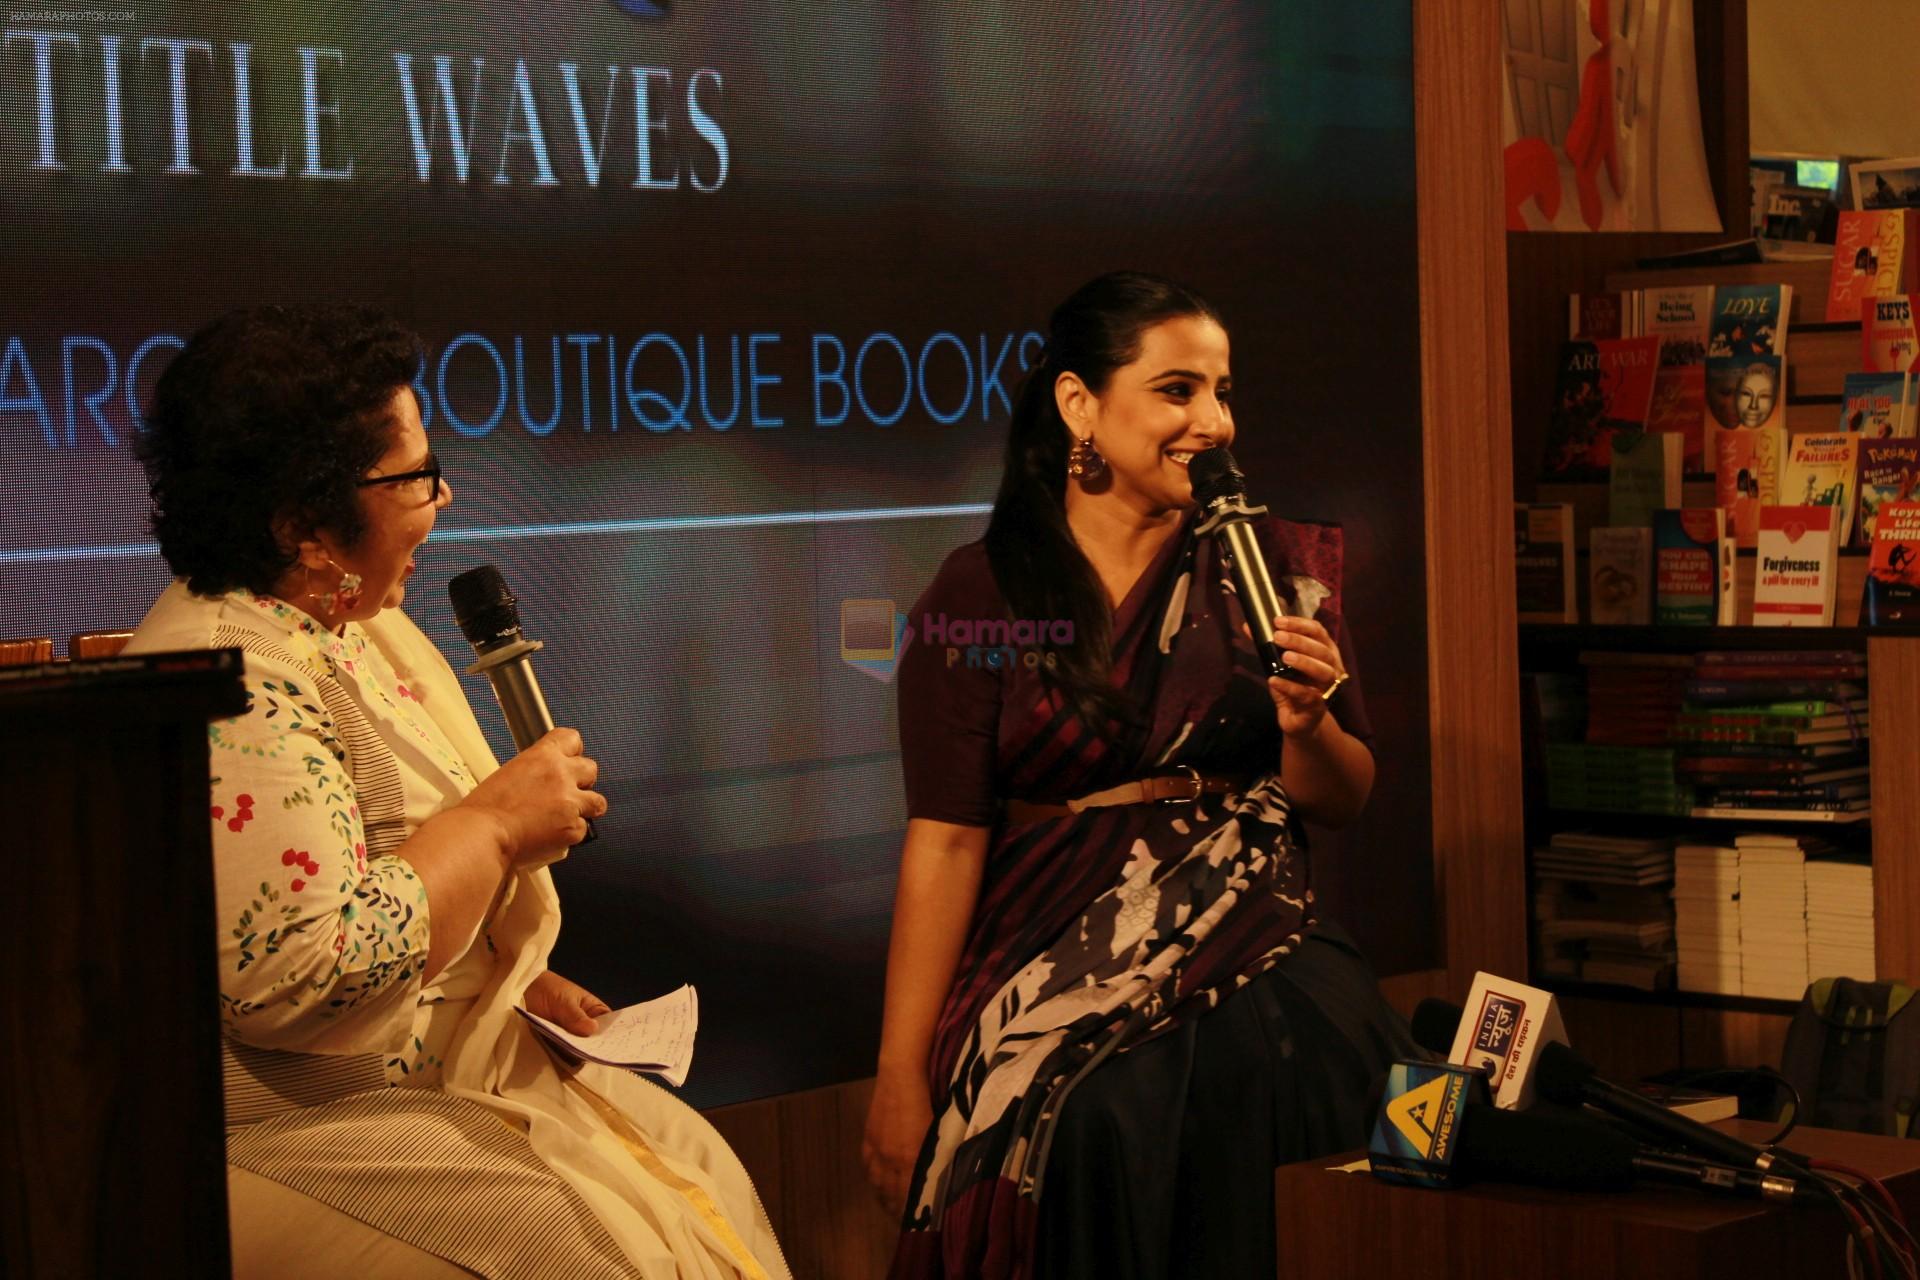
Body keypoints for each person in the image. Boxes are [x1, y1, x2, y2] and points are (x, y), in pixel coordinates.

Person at [127, 304, 789, 1280]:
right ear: (302, 522)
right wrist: (494, 824)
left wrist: (504, 977)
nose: (441, 499)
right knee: (594, 1253)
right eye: (414, 478)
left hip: (421, 1084)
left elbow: (396, 876)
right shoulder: (229, 675)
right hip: (302, 1124)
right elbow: (304, 979)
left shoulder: (343, 623)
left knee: (698, 1168)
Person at [862, 271, 1414, 1279]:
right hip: (1050, 943)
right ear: (1080, 402)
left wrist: (1307, 722)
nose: (1212, 421)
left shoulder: (1276, 565)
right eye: (1176, 390)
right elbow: (945, 837)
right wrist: (901, 1071)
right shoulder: (983, 589)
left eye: (1221, 389)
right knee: (1091, 1120)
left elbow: (1341, 795)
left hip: (1254, 924)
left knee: (1330, 1065)